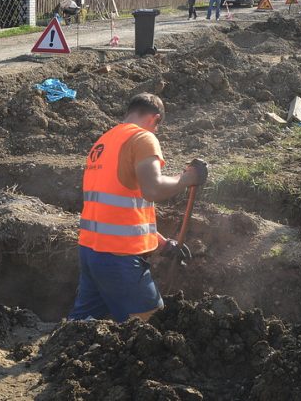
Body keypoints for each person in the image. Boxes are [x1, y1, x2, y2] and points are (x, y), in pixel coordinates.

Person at [68, 93, 207, 323]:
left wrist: (162, 243)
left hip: (91, 252)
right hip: (118, 257)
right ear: (155, 118)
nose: (156, 132)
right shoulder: (142, 138)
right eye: (157, 127)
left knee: (80, 325)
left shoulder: (104, 142)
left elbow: (116, 208)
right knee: (151, 324)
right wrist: (187, 178)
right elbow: (153, 190)